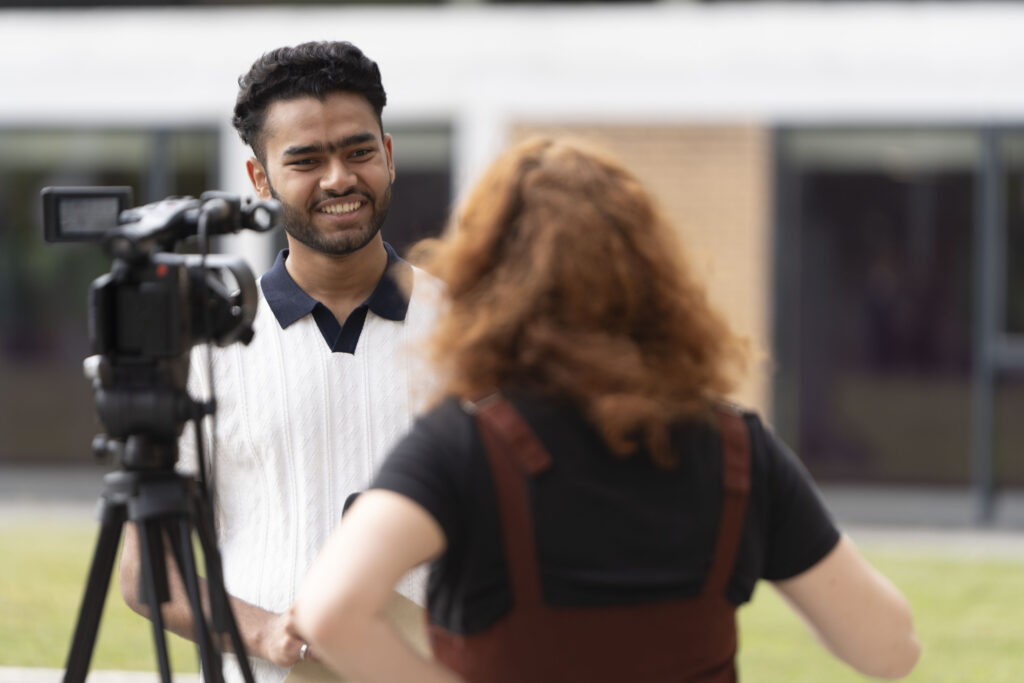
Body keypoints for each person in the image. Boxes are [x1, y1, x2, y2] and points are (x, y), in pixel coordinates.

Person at [290, 137, 921, 682]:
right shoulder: (736, 449)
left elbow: (331, 612)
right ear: (653, 277)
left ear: (485, 280)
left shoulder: (462, 448)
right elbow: (890, 650)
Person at [118, 41, 442, 682]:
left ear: (389, 156)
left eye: (359, 151)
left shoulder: (473, 331)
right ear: (260, 180)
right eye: (306, 160)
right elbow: (147, 574)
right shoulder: (203, 345)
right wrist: (268, 633)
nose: (339, 179)